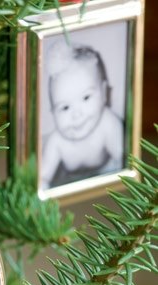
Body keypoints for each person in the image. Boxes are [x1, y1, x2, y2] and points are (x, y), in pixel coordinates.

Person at [41, 40, 124, 190]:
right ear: (53, 113)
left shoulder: (107, 122)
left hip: (106, 180)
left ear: (104, 93)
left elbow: (124, 158)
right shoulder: (57, 141)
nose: (76, 114)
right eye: (65, 107)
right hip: (69, 184)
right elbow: (43, 177)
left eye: (86, 98)